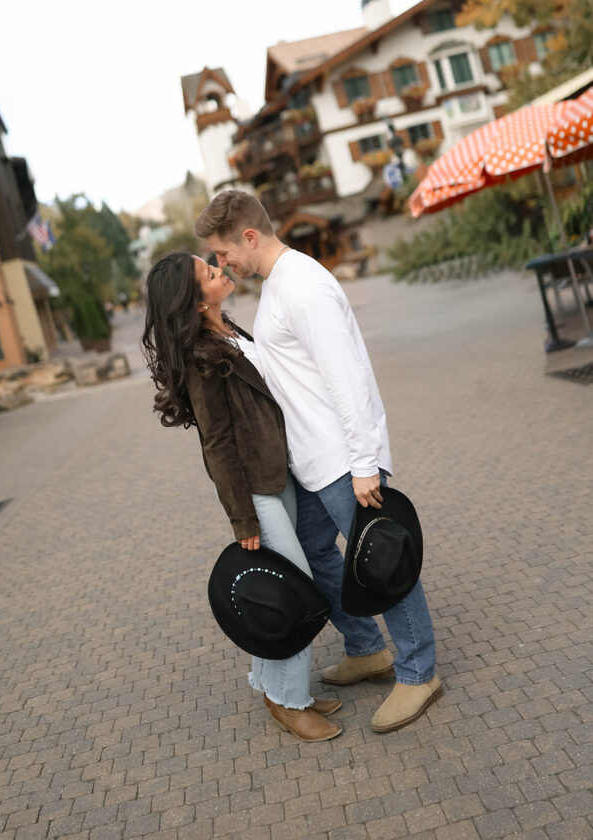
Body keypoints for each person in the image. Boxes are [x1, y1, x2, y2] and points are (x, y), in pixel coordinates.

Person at [195, 190, 441, 733]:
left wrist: (364, 463)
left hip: (340, 459)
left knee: (382, 561)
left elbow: (346, 376)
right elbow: (281, 367)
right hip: (313, 463)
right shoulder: (278, 287)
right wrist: (217, 331)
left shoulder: (303, 286)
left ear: (249, 237)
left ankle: (419, 672)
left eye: (222, 251)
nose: (221, 263)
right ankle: (366, 647)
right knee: (313, 553)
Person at [141, 251, 342, 742]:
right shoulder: (200, 356)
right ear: (192, 299)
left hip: (279, 477)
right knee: (293, 594)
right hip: (257, 493)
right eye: (209, 274)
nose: (220, 271)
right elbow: (217, 443)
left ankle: (274, 685)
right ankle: (290, 702)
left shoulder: (225, 329)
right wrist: (243, 520)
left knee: (277, 588)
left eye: (213, 265)